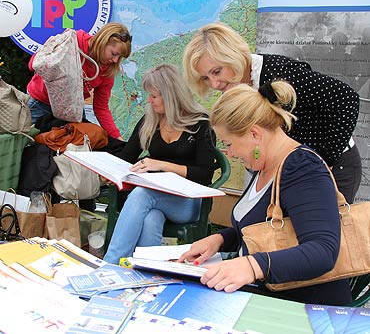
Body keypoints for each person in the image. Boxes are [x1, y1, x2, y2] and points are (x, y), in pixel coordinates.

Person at [179, 82, 351, 306]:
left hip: (305, 306)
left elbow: (323, 250)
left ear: (254, 134)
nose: (229, 154)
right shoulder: (265, 166)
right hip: (272, 296)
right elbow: (267, 227)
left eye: (229, 144)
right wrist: (221, 239)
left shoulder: (302, 167)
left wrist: (252, 266)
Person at [183, 22, 362, 204]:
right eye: (205, 78)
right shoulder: (237, 86)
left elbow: (347, 100)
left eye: (217, 71)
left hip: (335, 167)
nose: (214, 84)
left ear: (232, 56)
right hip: (291, 168)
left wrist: (322, 161)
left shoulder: (282, 74)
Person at [103, 64, 216, 264]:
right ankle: (148, 271)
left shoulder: (200, 124)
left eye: (154, 96)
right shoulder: (150, 120)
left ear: (170, 94)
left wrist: (163, 165)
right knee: (151, 219)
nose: (149, 100)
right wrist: (110, 171)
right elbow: (127, 157)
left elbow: (205, 175)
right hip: (157, 198)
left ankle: (110, 264)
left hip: (188, 201)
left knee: (142, 194)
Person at [26, 22, 133, 140]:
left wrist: (117, 137)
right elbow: (33, 65)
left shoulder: (107, 72)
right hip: (41, 104)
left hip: (71, 113)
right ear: (103, 41)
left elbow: (101, 108)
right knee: (24, 143)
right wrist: (59, 46)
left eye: (119, 57)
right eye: (114, 54)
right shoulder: (73, 41)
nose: (115, 60)